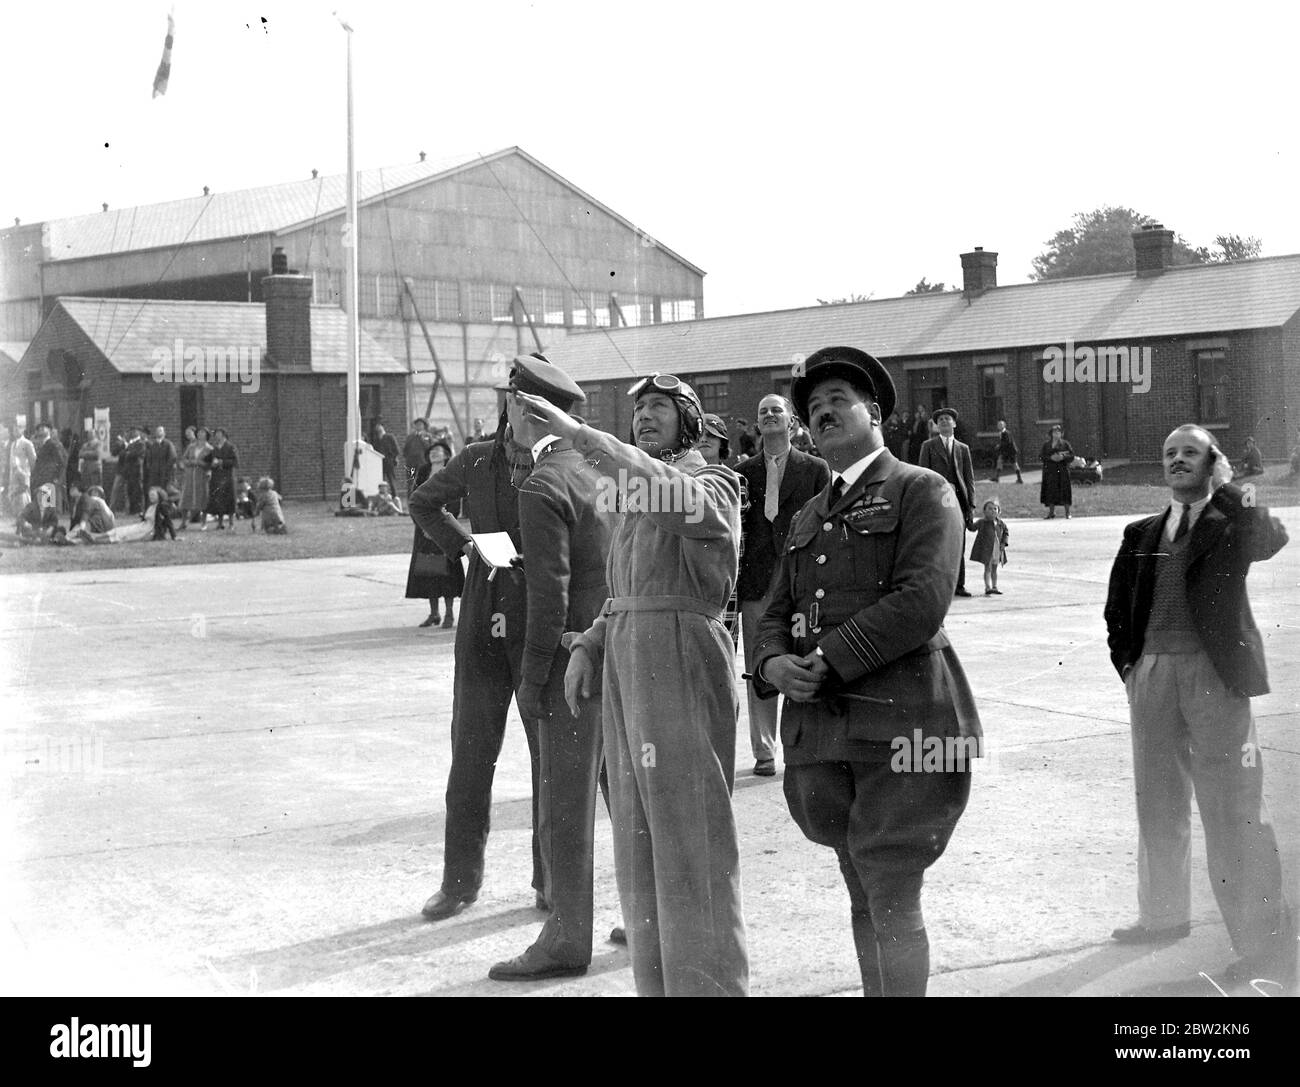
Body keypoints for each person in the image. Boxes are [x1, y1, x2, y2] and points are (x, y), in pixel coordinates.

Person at [751, 345, 980, 998]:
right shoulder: (808, 514)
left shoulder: (921, 489)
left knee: (890, 887)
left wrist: (824, 661)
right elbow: (777, 607)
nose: (821, 414)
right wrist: (770, 660)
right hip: (825, 733)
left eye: (836, 402)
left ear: (874, 413)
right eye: (812, 409)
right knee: (862, 887)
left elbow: (921, 599)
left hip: (905, 723)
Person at [535, 372, 749, 998]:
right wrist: (591, 645)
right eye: (640, 409)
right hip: (628, 660)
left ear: (689, 420)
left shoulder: (713, 484)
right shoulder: (635, 495)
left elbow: (669, 497)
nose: (647, 416)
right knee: (639, 848)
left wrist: (581, 435)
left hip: (682, 657)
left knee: (691, 842)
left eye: (661, 406)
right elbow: (624, 591)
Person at [1105, 424, 1293, 984]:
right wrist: (1130, 664)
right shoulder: (1140, 531)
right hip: (1153, 674)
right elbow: (1118, 606)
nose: (1178, 460)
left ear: (1213, 462)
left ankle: (1263, 944)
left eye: (1191, 452)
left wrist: (1232, 487)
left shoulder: (1231, 523)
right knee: (1156, 802)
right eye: (1169, 453)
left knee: (1235, 806)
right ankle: (1162, 916)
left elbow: (1274, 536)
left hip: (1216, 676)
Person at [487, 356, 617, 982]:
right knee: (623, 795)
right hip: (618, 653)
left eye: (508, 403)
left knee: (565, 805)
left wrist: (534, 676)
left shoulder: (540, 485)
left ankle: (566, 938)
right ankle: (643, 916)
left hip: (572, 664)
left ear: (526, 409)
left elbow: (549, 597)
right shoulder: (596, 472)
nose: (503, 415)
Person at [409, 391, 548, 921]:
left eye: (539, 407)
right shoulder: (472, 459)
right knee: (469, 758)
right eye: (519, 404)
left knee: (551, 761)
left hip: (542, 623)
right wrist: (463, 546)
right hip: (482, 625)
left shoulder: (568, 462)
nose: (526, 417)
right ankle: (459, 882)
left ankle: (550, 880)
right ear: (506, 408)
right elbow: (424, 501)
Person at [736, 393, 830, 777]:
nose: (770, 415)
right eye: (763, 412)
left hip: (801, 585)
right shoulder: (743, 473)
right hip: (757, 587)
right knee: (761, 666)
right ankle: (764, 751)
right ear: (758, 425)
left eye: (778, 410)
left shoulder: (815, 469)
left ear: (792, 422)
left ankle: (807, 746)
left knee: (806, 662)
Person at [919, 408, 977, 597]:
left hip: (959, 502)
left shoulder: (963, 448)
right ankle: (938, 587)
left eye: (948, 419)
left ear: (954, 424)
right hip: (937, 501)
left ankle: (959, 585)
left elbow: (969, 479)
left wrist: (971, 505)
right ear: (937, 425)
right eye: (940, 419)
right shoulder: (928, 446)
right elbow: (923, 476)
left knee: (958, 543)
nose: (944, 421)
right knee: (937, 544)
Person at [405, 440, 462, 628]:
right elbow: (414, 499)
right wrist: (423, 526)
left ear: (446, 454)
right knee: (428, 571)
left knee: (447, 574)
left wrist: (440, 527)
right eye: (431, 451)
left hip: (445, 529)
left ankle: (449, 614)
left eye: (438, 450)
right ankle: (434, 613)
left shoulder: (450, 472)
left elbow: (454, 501)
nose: (434, 453)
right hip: (423, 531)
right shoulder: (422, 472)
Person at [969, 498, 1009, 595]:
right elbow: (972, 528)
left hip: (997, 549)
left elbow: (1006, 532)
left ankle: (994, 586)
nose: (992, 511)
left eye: (995, 509)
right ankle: (987, 587)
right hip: (987, 550)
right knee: (988, 568)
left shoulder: (1000, 523)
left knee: (994, 569)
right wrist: (968, 519)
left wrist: (1004, 543)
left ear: (998, 511)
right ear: (984, 511)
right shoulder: (982, 522)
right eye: (990, 509)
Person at [204, 429, 239, 529]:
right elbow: (207, 459)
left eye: (219, 434)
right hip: (216, 477)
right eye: (216, 435)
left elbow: (235, 462)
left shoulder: (231, 447)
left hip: (227, 476)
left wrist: (221, 462)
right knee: (218, 499)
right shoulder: (214, 449)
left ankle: (231, 523)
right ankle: (220, 523)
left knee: (229, 498)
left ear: (224, 435)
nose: (217, 436)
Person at [31, 424, 68, 512]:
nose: (41, 430)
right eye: (39, 429)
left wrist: (58, 478)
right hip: (41, 480)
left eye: (43, 428)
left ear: (49, 431)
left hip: (50, 479)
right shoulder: (41, 445)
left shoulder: (54, 444)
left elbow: (62, 461)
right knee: (44, 507)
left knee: (49, 508)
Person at [179, 426, 211, 527]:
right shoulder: (191, 447)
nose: (201, 434)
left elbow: (210, 464)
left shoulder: (209, 449)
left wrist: (201, 463)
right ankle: (184, 522)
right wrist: (190, 462)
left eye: (203, 433)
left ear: (207, 435)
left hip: (201, 475)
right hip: (190, 475)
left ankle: (203, 523)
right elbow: (184, 459)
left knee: (202, 498)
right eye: (199, 432)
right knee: (186, 497)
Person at [1039, 424, 1073, 519]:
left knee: (1065, 490)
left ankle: (1067, 513)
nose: (1056, 434)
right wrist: (1050, 458)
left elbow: (1071, 455)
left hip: (1062, 470)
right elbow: (1041, 456)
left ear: (1061, 434)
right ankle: (1051, 513)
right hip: (1050, 471)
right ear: (1051, 434)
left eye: (1058, 432)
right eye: (1054, 432)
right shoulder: (1046, 445)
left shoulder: (1065, 444)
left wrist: (1062, 457)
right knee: (1051, 491)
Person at [117, 427, 147, 514]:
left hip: (137, 470)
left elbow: (136, 454)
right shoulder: (130, 444)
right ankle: (132, 509)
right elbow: (123, 453)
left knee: (137, 490)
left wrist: (128, 453)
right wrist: (128, 453)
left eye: (134, 432)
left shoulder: (141, 443)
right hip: (129, 471)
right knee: (130, 490)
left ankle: (139, 509)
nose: (132, 434)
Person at [402, 418, 434, 497]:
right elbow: (405, 450)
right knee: (411, 482)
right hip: (411, 464)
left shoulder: (427, 436)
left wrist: (422, 438)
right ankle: (410, 500)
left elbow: (430, 449)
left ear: (424, 426)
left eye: (420, 424)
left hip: (423, 463)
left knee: (423, 482)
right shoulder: (410, 437)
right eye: (417, 424)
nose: (418, 426)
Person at [9, 426, 35, 516]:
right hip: (14, 474)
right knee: (16, 497)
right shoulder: (13, 444)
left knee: (24, 497)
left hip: (24, 474)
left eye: (17, 429)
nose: (15, 431)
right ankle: (18, 519)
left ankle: (27, 518)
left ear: (22, 430)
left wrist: (29, 473)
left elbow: (32, 459)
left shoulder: (27, 443)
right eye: (14, 430)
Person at [143, 426, 177, 493]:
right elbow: (149, 458)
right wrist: (151, 468)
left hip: (165, 475)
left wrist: (166, 469)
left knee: (165, 492)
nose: (158, 432)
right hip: (154, 474)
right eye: (157, 431)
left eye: (160, 430)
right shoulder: (153, 445)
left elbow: (172, 457)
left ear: (164, 433)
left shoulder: (168, 444)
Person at [373, 422, 401, 498]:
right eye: (377, 429)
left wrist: (393, 458)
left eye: (380, 428)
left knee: (391, 480)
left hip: (389, 462)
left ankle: (395, 496)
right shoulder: (376, 440)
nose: (378, 430)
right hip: (380, 463)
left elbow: (396, 449)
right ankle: (384, 496)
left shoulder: (389, 437)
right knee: (382, 481)